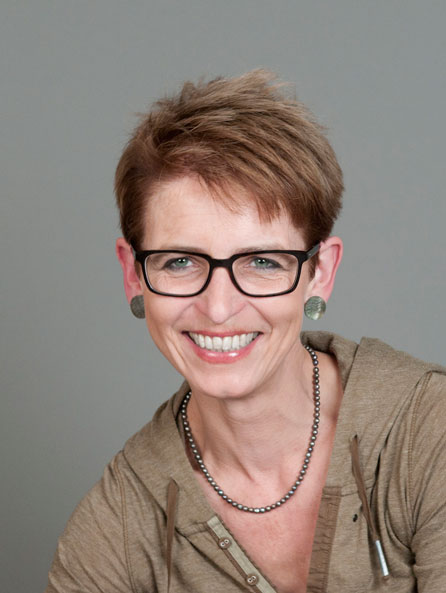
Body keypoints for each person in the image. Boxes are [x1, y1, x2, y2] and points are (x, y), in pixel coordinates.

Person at [45, 70, 446, 593]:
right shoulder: (116, 528)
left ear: (320, 273)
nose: (218, 308)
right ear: (133, 274)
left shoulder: (427, 434)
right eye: (180, 261)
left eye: (262, 261)